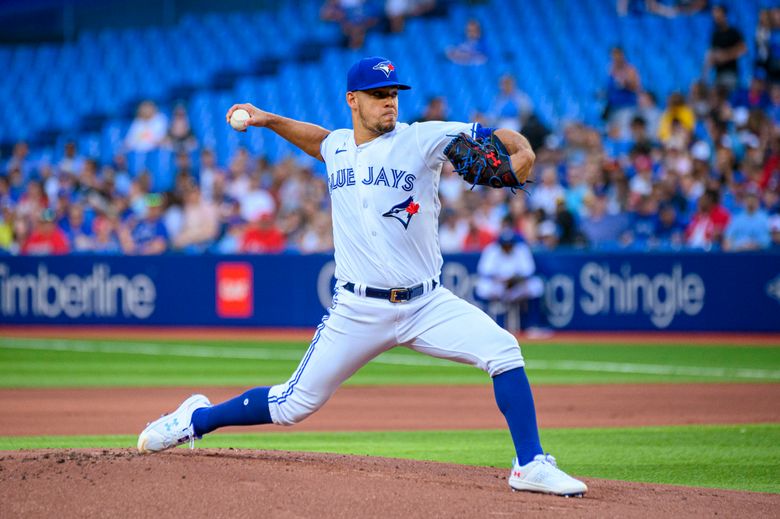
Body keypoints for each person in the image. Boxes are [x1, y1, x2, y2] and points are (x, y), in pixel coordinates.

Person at [137, 56, 587, 497]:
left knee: (504, 350)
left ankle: (529, 464)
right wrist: (268, 119)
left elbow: (490, 136)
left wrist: (521, 147)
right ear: (353, 100)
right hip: (358, 309)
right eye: (378, 95)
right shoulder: (337, 147)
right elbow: (320, 141)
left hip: (427, 303)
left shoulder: (421, 139)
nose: (389, 102)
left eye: (393, 94)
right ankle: (195, 420)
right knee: (293, 405)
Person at [475, 229, 546, 335]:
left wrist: (513, 280)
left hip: (516, 287)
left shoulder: (521, 249)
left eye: (509, 244)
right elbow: (484, 272)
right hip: (498, 287)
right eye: (504, 245)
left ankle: (533, 326)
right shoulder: (492, 250)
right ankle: (484, 326)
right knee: (482, 287)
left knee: (537, 285)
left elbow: (528, 272)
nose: (507, 247)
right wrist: (501, 280)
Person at [704, 4, 746, 94]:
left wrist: (726, 55)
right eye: (714, 15)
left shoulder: (733, 32)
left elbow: (743, 49)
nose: (716, 17)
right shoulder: (715, 34)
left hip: (731, 73)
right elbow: (711, 52)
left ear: (724, 15)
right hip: (718, 74)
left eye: (718, 14)